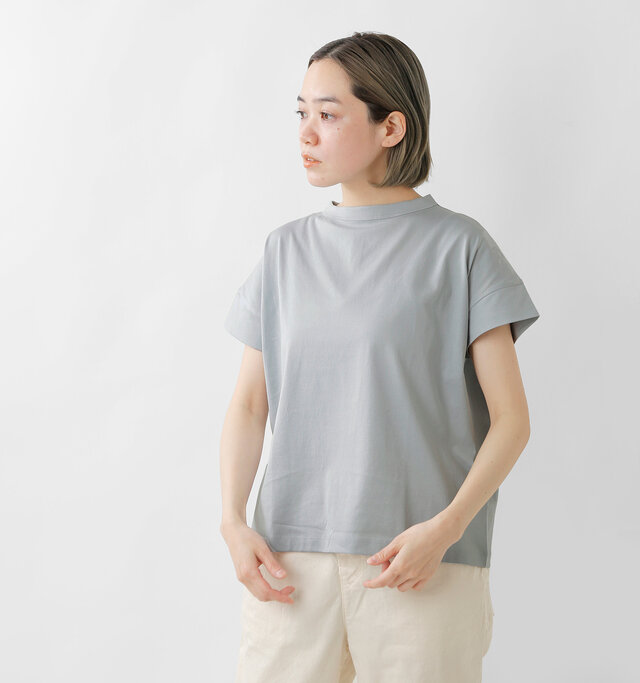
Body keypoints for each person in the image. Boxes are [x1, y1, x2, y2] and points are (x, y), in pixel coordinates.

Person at [220, 31, 540, 683]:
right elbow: (250, 405)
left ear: (391, 126)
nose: (307, 133)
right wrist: (232, 520)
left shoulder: (461, 248)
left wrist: (446, 529)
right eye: (301, 112)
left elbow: (512, 420)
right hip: (289, 560)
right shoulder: (284, 253)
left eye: (328, 114)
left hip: (420, 558)